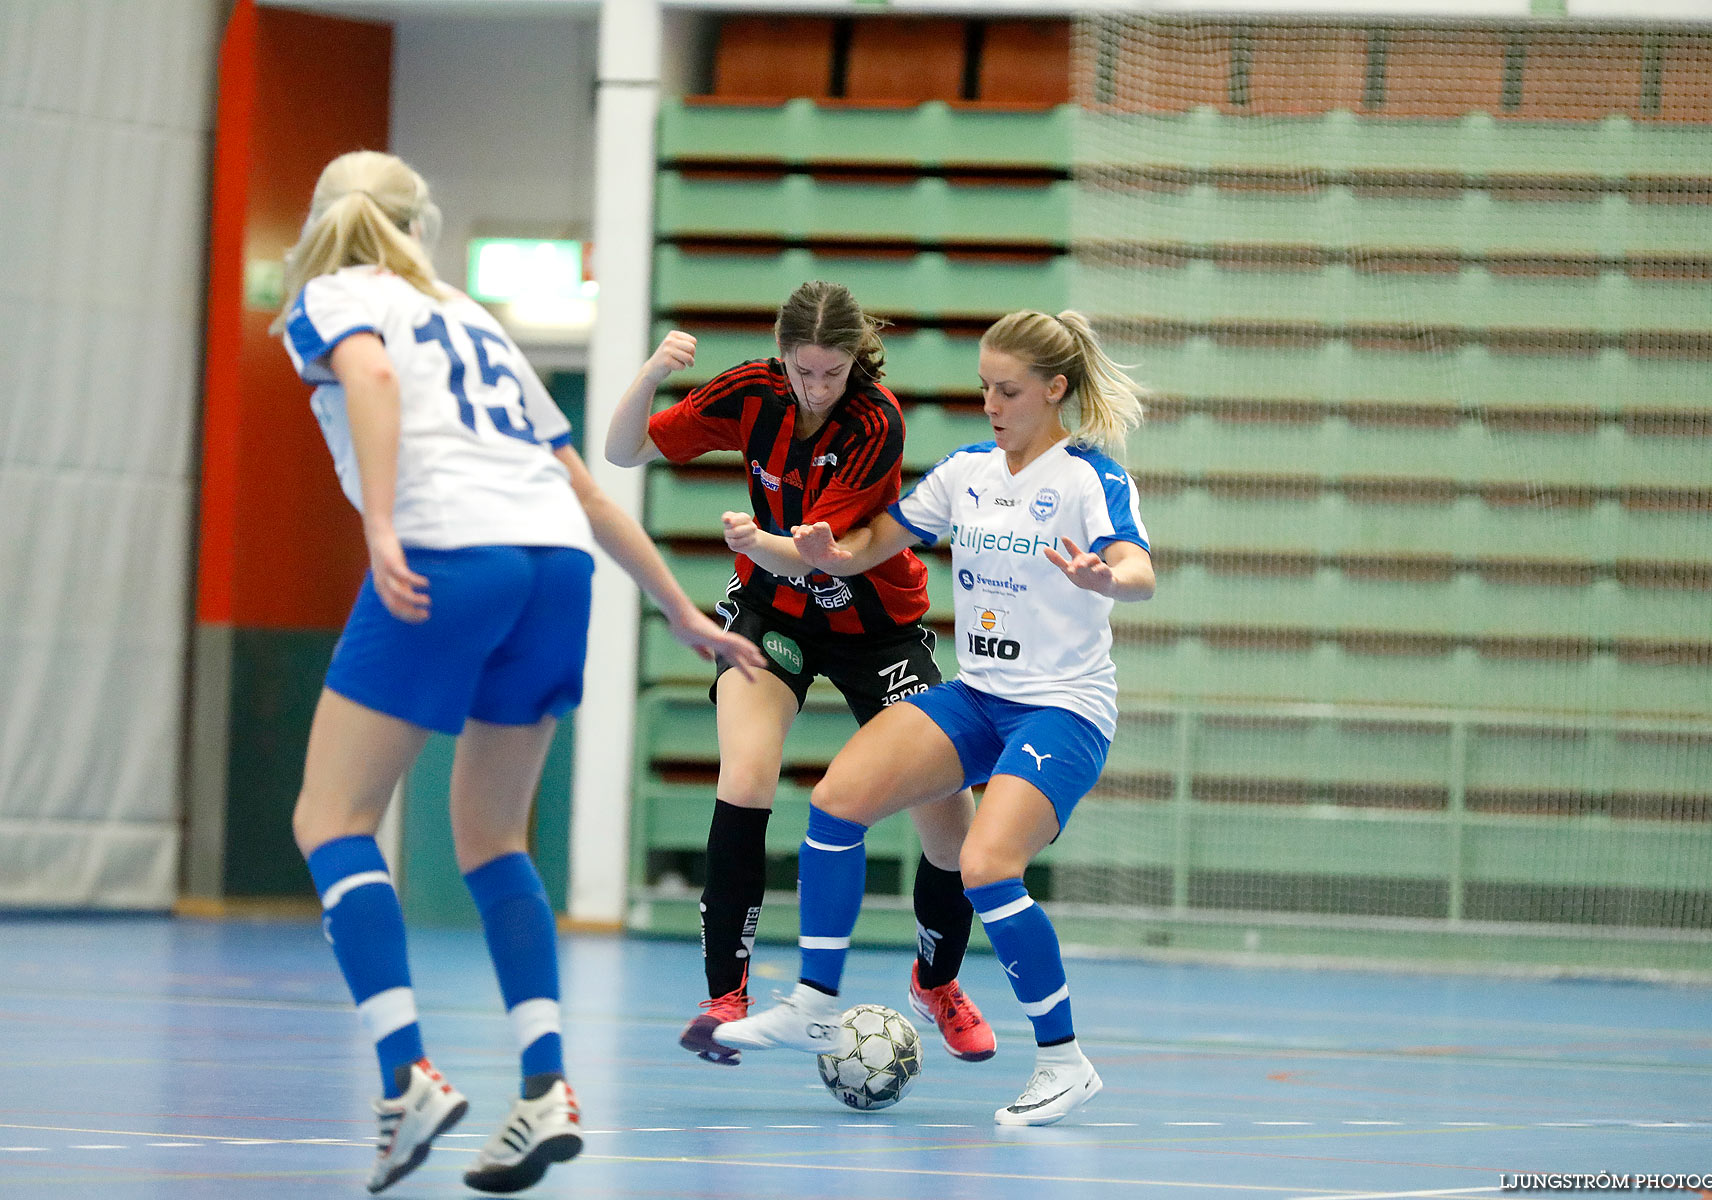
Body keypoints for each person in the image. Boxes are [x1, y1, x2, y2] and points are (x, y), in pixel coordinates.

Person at [274, 150, 762, 1195]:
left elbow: (363, 375)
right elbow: (578, 484)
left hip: (452, 549)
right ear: (423, 226)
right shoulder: (468, 311)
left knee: (332, 818)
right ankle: (545, 1088)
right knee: (493, 836)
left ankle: (407, 1075)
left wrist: (382, 523)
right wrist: (679, 608)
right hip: (555, 568)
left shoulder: (333, 295)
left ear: (326, 220)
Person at [712, 309, 1155, 1128]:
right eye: (984, 385)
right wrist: (813, 553)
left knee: (987, 865)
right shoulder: (968, 471)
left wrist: (1107, 577)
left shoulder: (1088, 477)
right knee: (837, 802)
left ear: (1054, 390)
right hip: (979, 696)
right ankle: (814, 1000)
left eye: (1008, 390)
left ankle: (1064, 1060)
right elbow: (874, 541)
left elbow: (1138, 564)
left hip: (1062, 710)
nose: (991, 402)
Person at [604, 281, 996, 1067]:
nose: (817, 387)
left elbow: (837, 551)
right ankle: (726, 996)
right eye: (803, 370)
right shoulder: (752, 391)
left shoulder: (875, 420)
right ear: (781, 355)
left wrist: (760, 542)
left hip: (874, 626)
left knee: (948, 815)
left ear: (855, 359)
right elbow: (623, 450)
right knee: (745, 775)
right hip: (772, 615)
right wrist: (650, 372)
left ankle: (937, 980)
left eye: (832, 371)